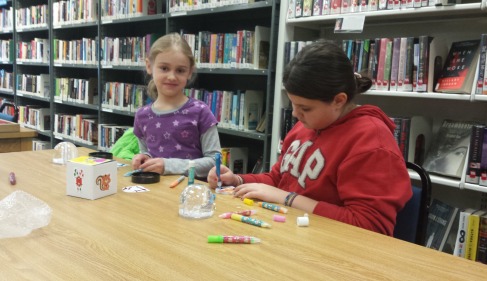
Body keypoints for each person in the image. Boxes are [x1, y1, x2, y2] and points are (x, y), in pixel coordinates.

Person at [207, 40, 412, 236]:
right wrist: (237, 180)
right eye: (293, 105)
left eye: (305, 108)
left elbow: (370, 227)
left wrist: (288, 199)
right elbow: (279, 180)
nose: (295, 114)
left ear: (338, 100)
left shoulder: (371, 142)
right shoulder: (309, 125)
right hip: (294, 233)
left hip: (336, 251)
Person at [132, 33, 221, 178]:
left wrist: (168, 166)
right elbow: (147, 151)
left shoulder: (200, 112)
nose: (172, 76)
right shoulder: (142, 115)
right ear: (149, 66)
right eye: (164, 68)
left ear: (190, 72)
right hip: (154, 192)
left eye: (180, 70)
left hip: (191, 192)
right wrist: (144, 158)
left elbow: (214, 162)